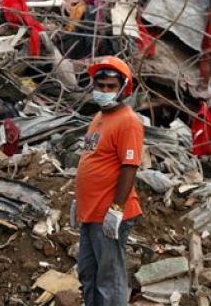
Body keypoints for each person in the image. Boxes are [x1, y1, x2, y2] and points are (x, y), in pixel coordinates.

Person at [71, 56, 144, 306]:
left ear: (124, 89)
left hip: (108, 214)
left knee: (109, 280)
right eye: (99, 85)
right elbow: (93, 161)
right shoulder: (99, 118)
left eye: (110, 87)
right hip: (90, 213)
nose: (103, 91)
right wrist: (78, 202)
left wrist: (116, 209)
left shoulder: (128, 121)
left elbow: (129, 167)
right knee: (88, 273)